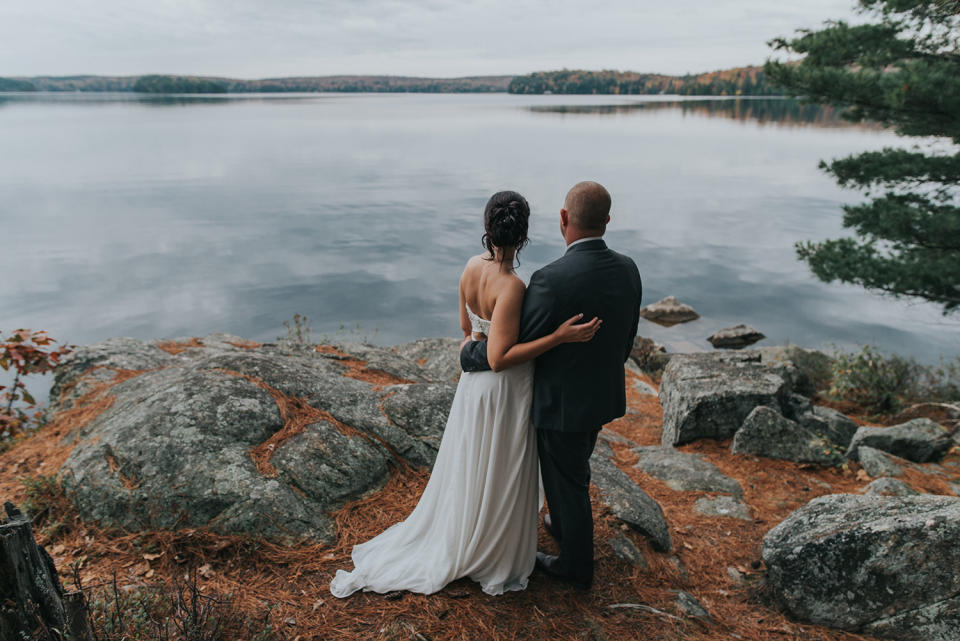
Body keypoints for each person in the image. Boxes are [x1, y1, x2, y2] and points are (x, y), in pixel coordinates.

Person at [329, 190, 601, 598]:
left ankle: (470, 527)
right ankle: (489, 545)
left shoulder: (471, 267)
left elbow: (467, 332)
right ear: (523, 236)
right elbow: (499, 356)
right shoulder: (512, 287)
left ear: (487, 229)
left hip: (472, 391)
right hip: (503, 390)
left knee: (475, 461)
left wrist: (476, 342)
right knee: (499, 464)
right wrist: (558, 337)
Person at [461, 180, 642, 590]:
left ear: (564, 219)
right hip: (601, 395)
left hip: (561, 404)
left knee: (570, 481)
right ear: (607, 222)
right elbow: (627, 338)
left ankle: (576, 567)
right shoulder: (628, 268)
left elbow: (512, 346)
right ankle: (562, 524)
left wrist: (468, 355)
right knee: (571, 472)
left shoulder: (550, 280)